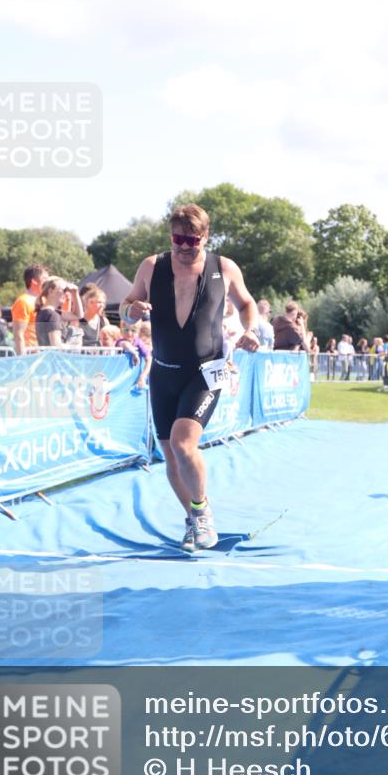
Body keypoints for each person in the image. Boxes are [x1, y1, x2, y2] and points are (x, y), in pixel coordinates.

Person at [120, 203, 259, 553]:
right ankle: (194, 520)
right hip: (164, 372)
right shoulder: (152, 266)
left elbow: (246, 304)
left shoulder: (223, 268)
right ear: (171, 237)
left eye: (191, 240)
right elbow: (125, 307)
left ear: (205, 237)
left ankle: (202, 512)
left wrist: (251, 329)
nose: (184, 247)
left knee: (184, 445)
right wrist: (131, 311)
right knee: (171, 459)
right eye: (178, 239)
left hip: (206, 371)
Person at [12, 264, 49, 354]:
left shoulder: (45, 300)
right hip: (31, 355)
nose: (48, 282)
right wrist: (22, 359)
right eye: (45, 279)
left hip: (45, 353)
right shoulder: (23, 301)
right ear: (34, 281)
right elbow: (18, 334)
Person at [35, 278, 82, 346]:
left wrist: (75, 293)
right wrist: (73, 345)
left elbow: (78, 315)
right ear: (51, 292)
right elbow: (56, 345)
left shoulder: (44, 311)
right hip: (54, 356)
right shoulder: (52, 315)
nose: (66, 293)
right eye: (64, 290)